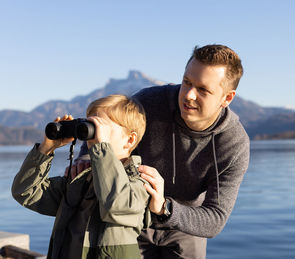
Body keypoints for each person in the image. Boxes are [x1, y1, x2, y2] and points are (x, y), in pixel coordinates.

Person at [74, 44, 250, 259]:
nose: (189, 95)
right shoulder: (149, 102)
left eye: (203, 90)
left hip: (184, 225)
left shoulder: (233, 143)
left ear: (227, 98)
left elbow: (214, 219)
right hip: (131, 215)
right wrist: (84, 160)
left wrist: (164, 208)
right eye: (187, 82)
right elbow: (102, 125)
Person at [12, 94, 151, 259]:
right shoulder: (80, 181)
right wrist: (45, 150)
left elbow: (115, 204)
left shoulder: (140, 182)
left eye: (101, 128)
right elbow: (26, 192)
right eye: (90, 126)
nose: (92, 135)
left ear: (129, 139)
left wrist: (101, 148)